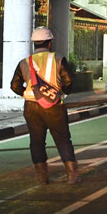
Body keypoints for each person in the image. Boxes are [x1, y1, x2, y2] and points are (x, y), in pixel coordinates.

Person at [9, 27, 81, 185]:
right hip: (54, 106)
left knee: (36, 141)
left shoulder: (24, 62)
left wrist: (27, 94)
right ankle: (72, 175)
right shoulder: (58, 59)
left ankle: (42, 178)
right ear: (49, 43)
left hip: (31, 107)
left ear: (34, 43)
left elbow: (14, 85)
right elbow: (68, 82)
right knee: (63, 140)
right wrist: (62, 93)